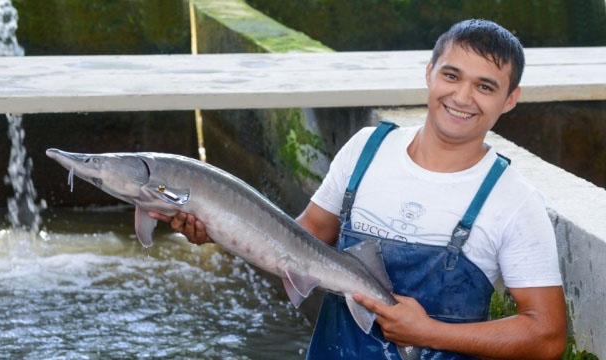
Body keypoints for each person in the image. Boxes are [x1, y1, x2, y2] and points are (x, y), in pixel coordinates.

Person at [150, 19, 567, 359]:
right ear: (429, 72)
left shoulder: (514, 201)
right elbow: (299, 245)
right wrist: (216, 225)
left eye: (485, 86)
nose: (462, 96)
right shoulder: (367, 149)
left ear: (510, 99)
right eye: (451, 75)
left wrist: (430, 333)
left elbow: (546, 337)